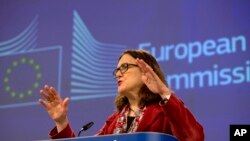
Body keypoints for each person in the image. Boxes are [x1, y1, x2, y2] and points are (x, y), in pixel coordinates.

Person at [39, 49, 205, 141]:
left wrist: (163, 92)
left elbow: (194, 137)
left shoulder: (166, 111)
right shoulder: (114, 121)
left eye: (124, 67)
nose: (118, 74)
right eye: (117, 70)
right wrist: (62, 122)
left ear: (146, 71)